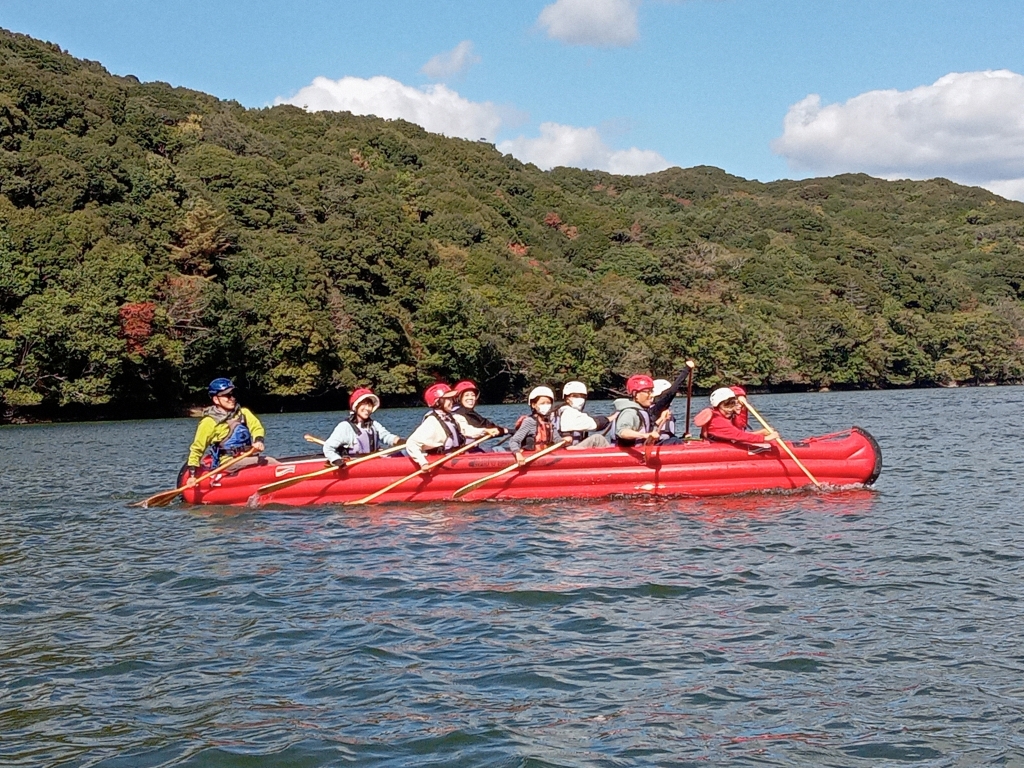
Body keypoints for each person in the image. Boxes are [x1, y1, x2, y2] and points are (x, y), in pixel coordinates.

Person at [405, 382, 500, 469]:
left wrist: (485, 431)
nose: (452, 401)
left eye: (451, 398)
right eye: (447, 399)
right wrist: (423, 463)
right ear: (438, 402)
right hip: (442, 462)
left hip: (457, 457)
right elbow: (412, 444)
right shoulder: (431, 423)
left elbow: (467, 430)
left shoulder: (454, 417)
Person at [186, 378, 265, 476]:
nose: (232, 398)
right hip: (228, 463)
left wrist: (258, 440)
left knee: (267, 462)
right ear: (216, 399)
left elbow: (257, 427)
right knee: (269, 462)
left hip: (247, 457)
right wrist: (192, 474)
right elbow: (197, 449)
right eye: (227, 395)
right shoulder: (209, 422)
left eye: (233, 394)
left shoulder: (243, 413)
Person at [323, 388, 402, 465]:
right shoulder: (345, 427)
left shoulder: (374, 425)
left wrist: (401, 442)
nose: (367, 408)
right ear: (356, 406)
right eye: (364, 404)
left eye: (370, 405)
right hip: (355, 464)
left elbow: (387, 436)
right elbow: (328, 448)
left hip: (375, 462)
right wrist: (336, 459)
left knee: (405, 452)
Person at [702, 387, 778, 448]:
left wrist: (760, 433)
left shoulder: (725, 415)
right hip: (716, 448)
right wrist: (764, 438)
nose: (730, 409)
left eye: (733, 404)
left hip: (725, 443)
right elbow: (738, 435)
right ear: (717, 406)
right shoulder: (717, 421)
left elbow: (739, 429)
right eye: (726, 405)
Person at [557, 380, 614, 449]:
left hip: (573, 447)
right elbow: (596, 424)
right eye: (575, 396)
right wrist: (612, 417)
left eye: (582, 396)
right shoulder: (568, 412)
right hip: (568, 449)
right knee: (598, 439)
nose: (580, 399)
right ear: (567, 398)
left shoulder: (570, 411)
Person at [509, 386, 558, 464]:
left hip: (545, 456)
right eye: (542, 403)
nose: (546, 405)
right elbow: (514, 441)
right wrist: (517, 454)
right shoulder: (529, 422)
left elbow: (558, 440)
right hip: (530, 457)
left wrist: (566, 441)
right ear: (533, 405)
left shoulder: (548, 422)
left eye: (548, 403)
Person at [613, 375, 661, 447]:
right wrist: (644, 435)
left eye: (651, 391)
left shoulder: (642, 410)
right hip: (624, 455)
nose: (651, 395)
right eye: (647, 392)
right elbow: (622, 432)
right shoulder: (630, 412)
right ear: (635, 394)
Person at [652, 378, 679, 443]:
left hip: (668, 441)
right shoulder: (654, 410)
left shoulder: (667, 410)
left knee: (676, 440)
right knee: (676, 441)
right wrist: (663, 419)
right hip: (658, 442)